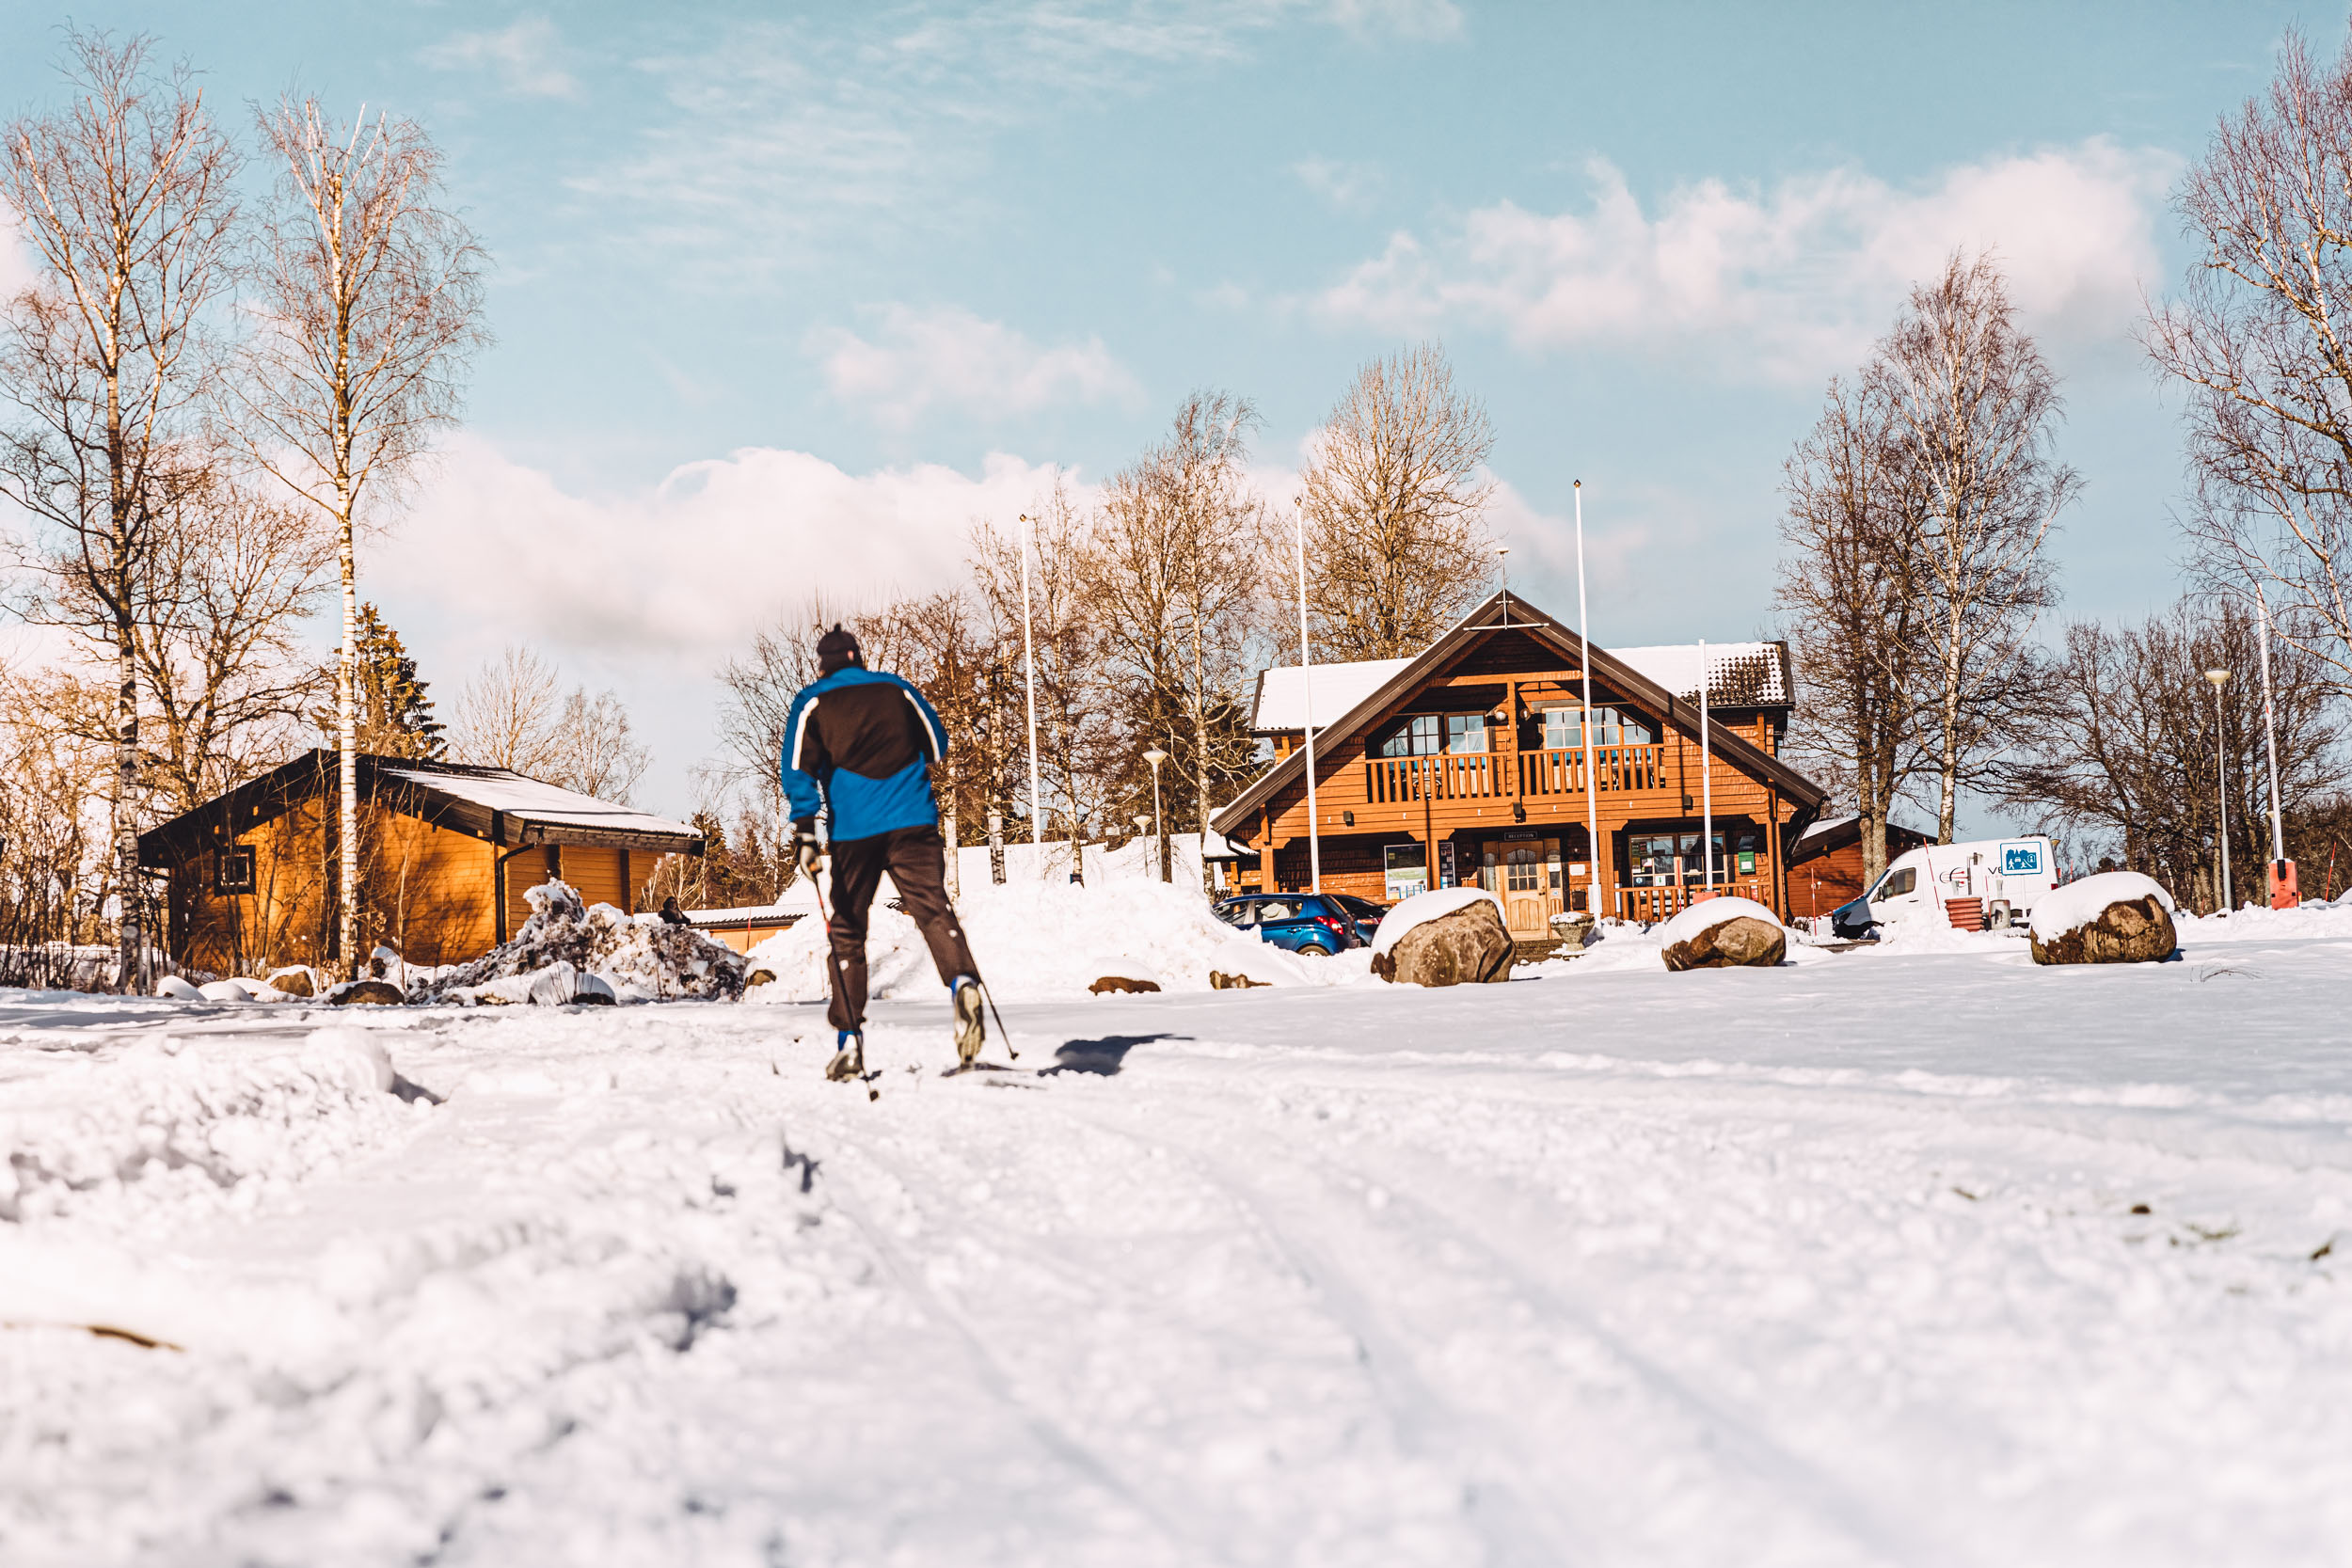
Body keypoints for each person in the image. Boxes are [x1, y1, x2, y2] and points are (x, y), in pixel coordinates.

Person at [781, 625, 983, 1081]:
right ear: (859, 658)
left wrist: (806, 833)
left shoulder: (812, 701)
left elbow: (797, 770)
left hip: (855, 833)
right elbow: (937, 744)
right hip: (913, 821)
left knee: (849, 930)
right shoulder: (897, 688)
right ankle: (963, 981)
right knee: (932, 908)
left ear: (824, 663)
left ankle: (849, 1038)